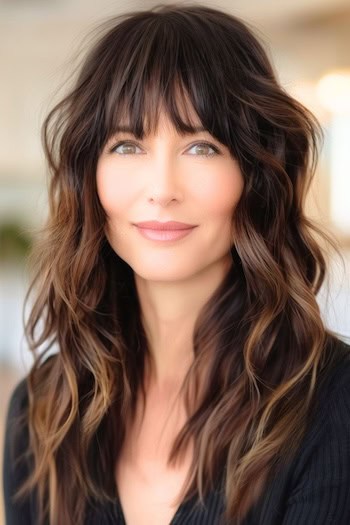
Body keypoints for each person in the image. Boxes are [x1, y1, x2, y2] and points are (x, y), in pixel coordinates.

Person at [2, 2, 350, 525]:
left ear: (256, 172)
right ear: (88, 175)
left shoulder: (331, 403)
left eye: (202, 147)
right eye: (126, 145)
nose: (162, 189)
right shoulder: (43, 410)